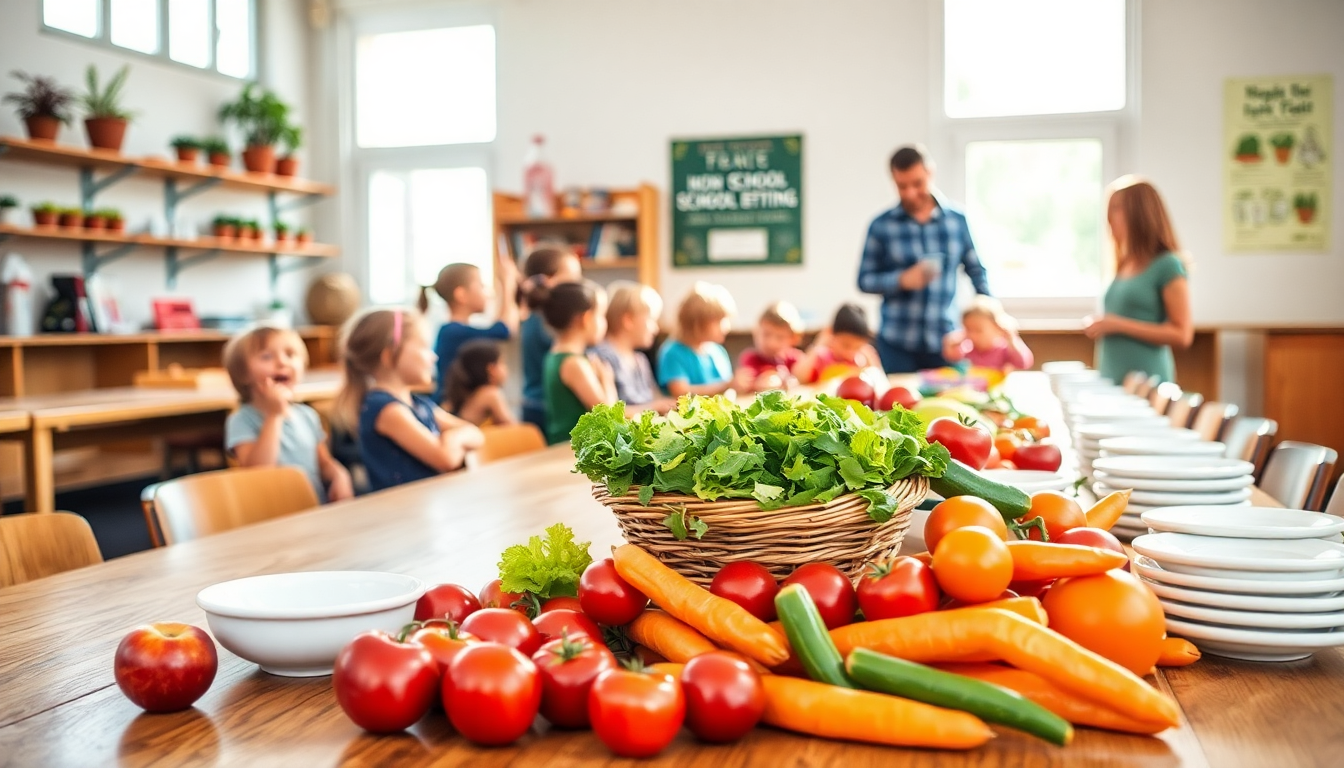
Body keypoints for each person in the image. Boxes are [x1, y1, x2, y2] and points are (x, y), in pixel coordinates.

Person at [858, 145, 992, 372]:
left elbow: (977, 272)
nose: (910, 193)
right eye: (902, 186)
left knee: (953, 395)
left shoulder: (957, 221)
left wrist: (991, 315)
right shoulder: (881, 225)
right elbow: (864, 280)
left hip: (946, 342)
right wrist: (901, 280)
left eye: (917, 183)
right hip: (896, 344)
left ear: (930, 173)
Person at [335, 308, 484, 492]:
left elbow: (476, 434)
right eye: (424, 347)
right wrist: (454, 440)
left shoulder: (419, 404)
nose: (433, 356)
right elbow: (446, 459)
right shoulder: (386, 409)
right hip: (401, 509)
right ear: (389, 354)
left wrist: (451, 437)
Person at [223, 325, 353, 503]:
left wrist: (340, 475)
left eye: (290, 355)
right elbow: (257, 471)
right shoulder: (241, 420)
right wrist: (274, 416)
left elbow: (323, 463)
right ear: (242, 373)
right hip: (272, 511)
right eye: (266, 356)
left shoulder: (307, 415)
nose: (282, 362)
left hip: (313, 507)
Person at [1085, 176, 1193, 384]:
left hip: (1147, 384)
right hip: (1112, 380)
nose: (1109, 218)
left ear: (1140, 214)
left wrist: (1117, 325)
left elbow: (1182, 335)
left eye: (1117, 209)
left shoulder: (1168, 265)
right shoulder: (1123, 264)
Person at [422, 255, 519, 406]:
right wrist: (508, 285)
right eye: (481, 286)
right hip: (450, 407)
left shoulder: (454, 330)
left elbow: (500, 326)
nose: (487, 293)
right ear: (461, 294)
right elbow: (505, 330)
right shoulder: (453, 332)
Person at [518, 248, 585, 434]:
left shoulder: (534, 315)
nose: (578, 284)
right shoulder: (549, 320)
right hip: (544, 406)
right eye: (573, 278)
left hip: (535, 402)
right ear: (545, 280)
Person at [542, 282, 617, 445]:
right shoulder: (574, 363)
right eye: (601, 316)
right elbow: (610, 418)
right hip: (572, 450)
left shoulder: (554, 355)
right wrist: (607, 380)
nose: (605, 323)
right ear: (586, 319)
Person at [656, 281, 753, 398]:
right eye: (719, 321)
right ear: (697, 323)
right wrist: (727, 385)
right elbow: (681, 393)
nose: (727, 327)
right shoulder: (673, 353)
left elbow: (729, 392)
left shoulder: (718, 351)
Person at [591, 281, 675, 413]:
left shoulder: (640, 359)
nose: (656, 329)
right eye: (651, 320)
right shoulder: (603, 357)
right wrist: (656, 407)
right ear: (628, 320)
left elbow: (655, 397)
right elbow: (607, 410)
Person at [793, 303, 882, 384]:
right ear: (831, 333)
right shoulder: (822, 357)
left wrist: (871, 361)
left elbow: (879, 381)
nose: (850, 352)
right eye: (846, 345)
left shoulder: (861, 360)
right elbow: (799, 377)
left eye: (857, 347)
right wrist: (818, 345)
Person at [942, 296, 1033, 372]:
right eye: (968, 329)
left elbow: (1023, 364)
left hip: (997, 387)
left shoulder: (1004, 349)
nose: (972, 335)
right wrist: (950, 343)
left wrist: (1012, 340)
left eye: (978, 330)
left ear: (997, 327)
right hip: (973, 388)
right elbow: (951, 357)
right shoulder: (968, 349)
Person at [443, 339, 516, 427]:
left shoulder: (466, 395)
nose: (506, 368)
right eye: (502, 362)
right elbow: (514, 428)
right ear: (491, 369)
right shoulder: (491, 394)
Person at [738, 301, 805, 392]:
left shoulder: (794, 358)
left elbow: (803, 376)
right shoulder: (750, 359)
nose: (772, 343)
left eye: (780, 337)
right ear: (756, 332)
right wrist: (756, 384)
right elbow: (747, 384)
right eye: (766, 334)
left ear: (793, 339)